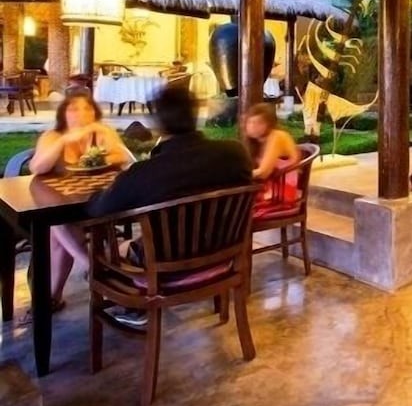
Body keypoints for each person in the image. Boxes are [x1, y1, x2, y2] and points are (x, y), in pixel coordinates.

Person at [80, 86, 253, 328]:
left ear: (159, 124)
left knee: (110, 251)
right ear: (195, 114)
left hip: (164, 269)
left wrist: (95, 192)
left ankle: (133, 304)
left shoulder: (145, 173)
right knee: (134, 244)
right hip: (221, 258)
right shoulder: (235, 154)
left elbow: (98, 210)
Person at [22, 93, 131, 324]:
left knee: (56, 230)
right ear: (63, 114)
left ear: (94, 113)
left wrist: (101, 149)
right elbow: (37, 167)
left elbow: (121, 156)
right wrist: (65, 140)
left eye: (86, 109)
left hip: (97, 205)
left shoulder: (101, 132)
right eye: (73, 109)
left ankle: (52, 298)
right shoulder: (52, 136)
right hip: (60, 206)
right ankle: (92, 267)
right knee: (56, 224)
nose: (81, 114)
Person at [243, 103, 301, 218]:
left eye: (259, 123)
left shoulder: (277, 136)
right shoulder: (256, 142)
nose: (253, 126)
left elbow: (264, 172)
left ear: (269, 124)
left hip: (279, 196)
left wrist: (238, 175)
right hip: (266, 191)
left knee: (234, 210)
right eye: (250, 122)